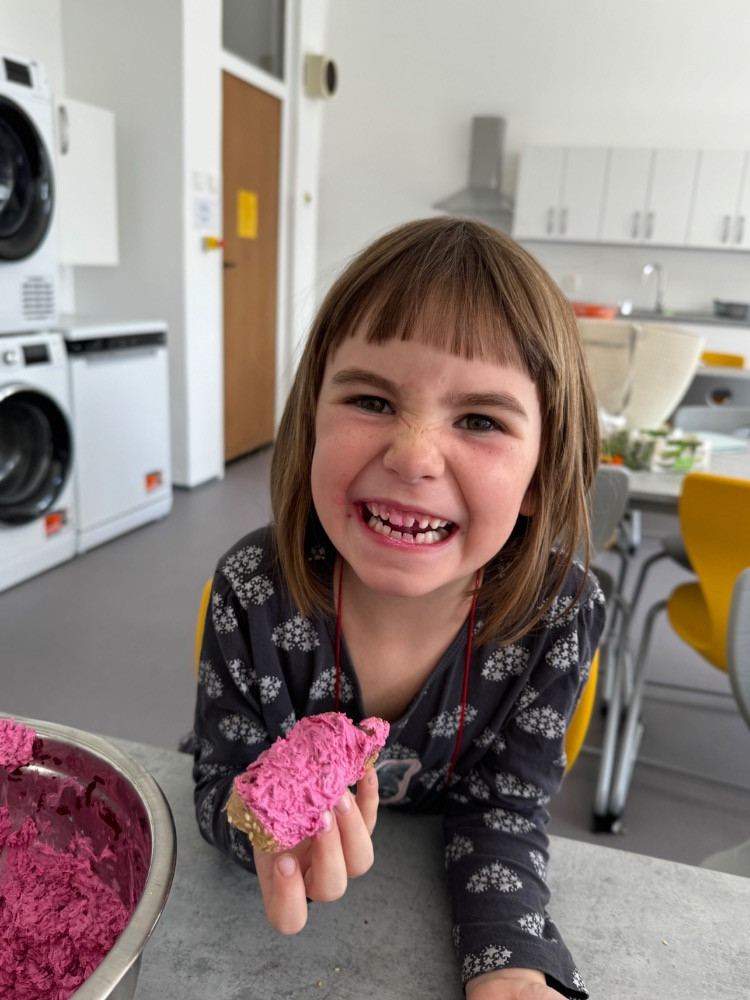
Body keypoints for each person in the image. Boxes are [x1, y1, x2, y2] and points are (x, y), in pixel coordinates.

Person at [193, 216, 605, 999]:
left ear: (542, 475)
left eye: (479, 420)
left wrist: (513, 968)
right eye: (372, 400)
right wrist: (265, 833)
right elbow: (218, 783)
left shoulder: (558, 616)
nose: (413, 455)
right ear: (312, 421)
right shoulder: (252, 589)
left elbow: (503, 810)